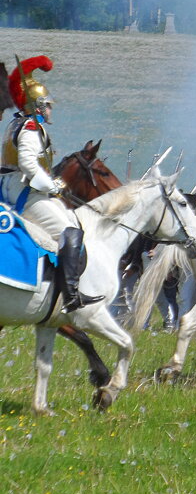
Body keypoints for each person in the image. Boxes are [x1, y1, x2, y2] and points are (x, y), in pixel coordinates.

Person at [0, 55, 102, 312]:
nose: (50, 109)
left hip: (13, 184)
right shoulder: (32, 127)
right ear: (37, 105)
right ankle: (71, 297)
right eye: (47, 105)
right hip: (24, 189)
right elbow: (29, 164)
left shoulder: (17, 123)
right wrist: (52, 186)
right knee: (69, 232)